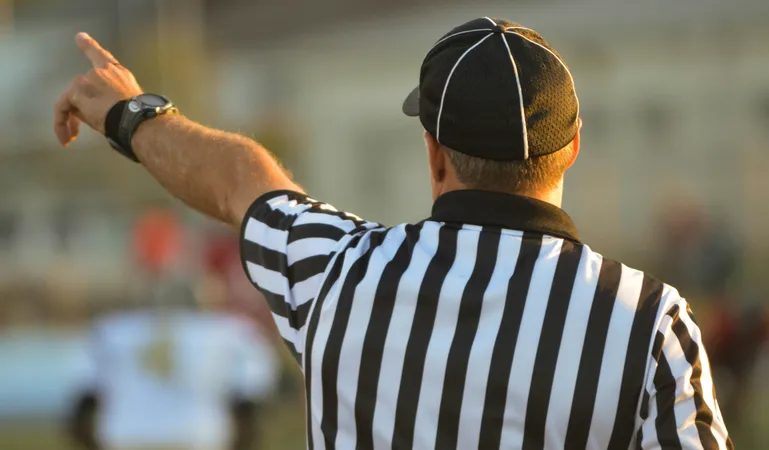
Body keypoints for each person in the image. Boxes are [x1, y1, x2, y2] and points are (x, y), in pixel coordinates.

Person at [55, 17, 732, 449]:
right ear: (573, 147)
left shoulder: (335, 273)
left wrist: (129, 114)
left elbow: (238, 180)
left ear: (433, 150)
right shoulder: (649, 323)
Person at [68, 283, 278, 450]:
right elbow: (249, 394)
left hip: (126, 433)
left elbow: (85, 395)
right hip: (198, 434)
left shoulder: (112, 330)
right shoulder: (228, 331)